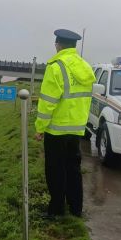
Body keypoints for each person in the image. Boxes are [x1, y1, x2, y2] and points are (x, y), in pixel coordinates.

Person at [35, 29, 96, 219]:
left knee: (55, 170)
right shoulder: (85, 67)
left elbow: (47, 102)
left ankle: (56, 210)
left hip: (56, 129)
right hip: (76, 127)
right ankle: (76, 208)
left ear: (58, 45)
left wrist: (40, 128)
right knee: (73, 168)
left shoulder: (56, 67)